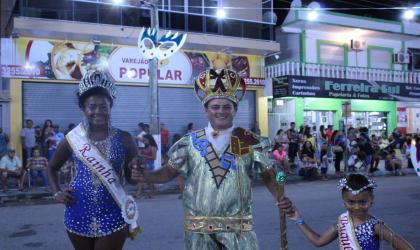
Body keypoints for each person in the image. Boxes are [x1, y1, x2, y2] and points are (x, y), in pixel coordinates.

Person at [132, 68, 279, 249]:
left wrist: (281, 190)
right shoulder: (189, 142)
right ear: (206, 111)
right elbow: (169, 171)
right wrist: (147, 175)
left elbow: (271, 175)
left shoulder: (250, 141)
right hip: (198, 232)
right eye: (215, 107)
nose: (221, 111)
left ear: (235, 110)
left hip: (239, 230)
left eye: (227, 107)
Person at [47, 70, 140, 250]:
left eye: (103, 106)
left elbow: (131, 179)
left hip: (113, 212)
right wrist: (56, 192)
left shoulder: (125, 138)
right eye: (92, 106)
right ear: (83, 108)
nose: (98, 111)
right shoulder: (72, 138)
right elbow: (52, 167)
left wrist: (137, 171)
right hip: (77, 212)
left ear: (110, 107)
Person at [278, 173, 414, 250]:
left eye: (362, 202)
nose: (356, 207)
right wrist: (297, 218)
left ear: (372, 200)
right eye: (351, 202)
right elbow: (318, 241)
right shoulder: (342, 221)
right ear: (343, 200)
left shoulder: (376, 226)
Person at [135, 134, 157, 198]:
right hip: (143, 165)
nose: (144, 141)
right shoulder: (146, 147)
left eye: (145, 140)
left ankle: (150, 192)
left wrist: (142, 155)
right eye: (143, 140)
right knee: (141, 179)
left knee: (148, 180)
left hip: (149, 165)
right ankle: (139, 193)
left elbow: (154, 157)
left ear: (149, 140)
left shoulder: (153, 147)